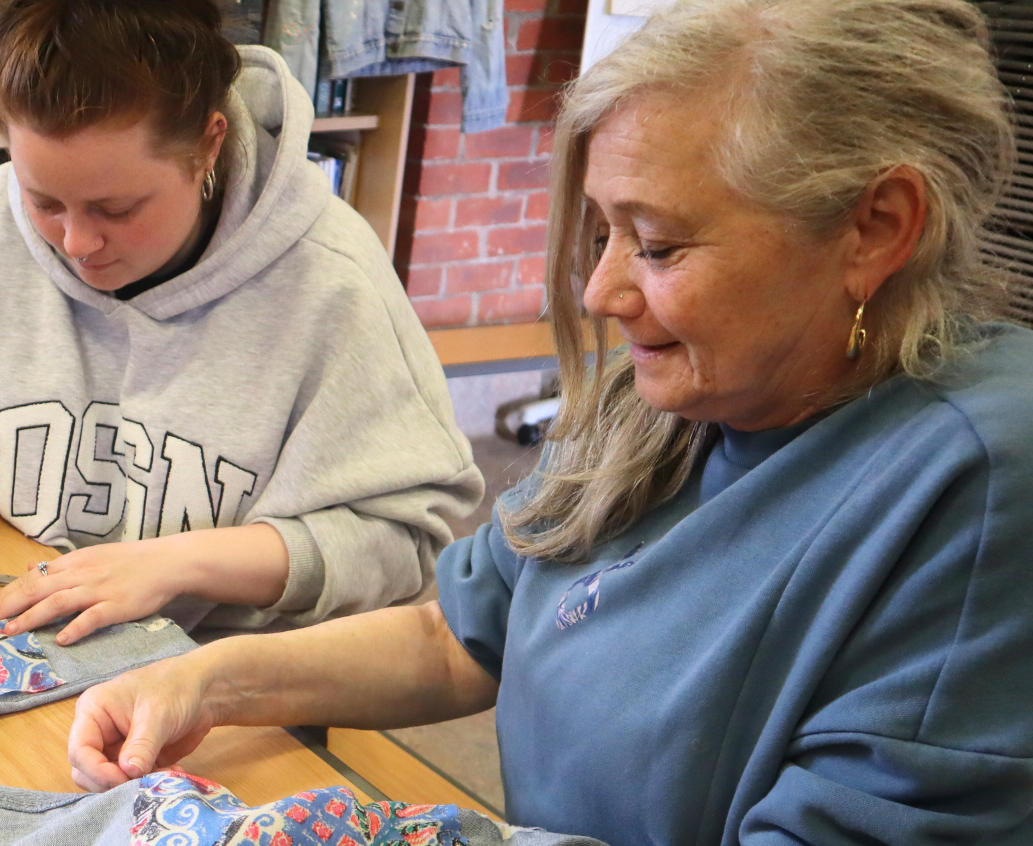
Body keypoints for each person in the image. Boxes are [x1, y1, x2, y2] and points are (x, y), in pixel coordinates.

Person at [65, 0, 1033, 843]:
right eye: (602, 233)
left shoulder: (977, 487)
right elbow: (459, 636)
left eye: (656, 245)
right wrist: (204, 682)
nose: (603, 289)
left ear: (873, 229)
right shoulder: (669, 399)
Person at [0, 0, 482, 644]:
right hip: (22, 640)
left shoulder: (331, 282)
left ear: (208, 145)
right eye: (43, 200)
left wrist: (177, 564)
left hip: (232, 686)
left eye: (118, 208)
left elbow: (407, 543)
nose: (75, 242)